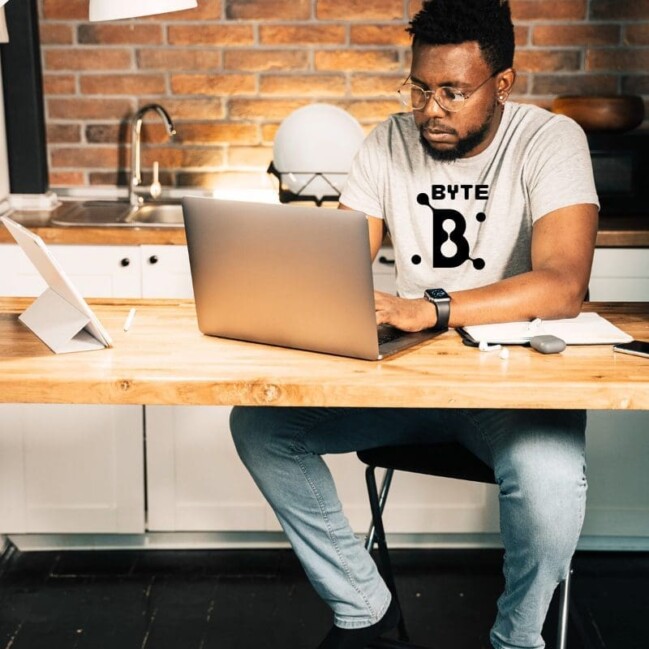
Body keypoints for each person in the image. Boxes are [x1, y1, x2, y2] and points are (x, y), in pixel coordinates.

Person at [230, 1, 599, 647]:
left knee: (547, 484)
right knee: (262, 425)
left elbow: (562, 285)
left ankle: (516, 637)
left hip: (512, 388)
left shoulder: (549, 139)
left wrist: (430, 308)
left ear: (501, 84)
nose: (430, 108)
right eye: (420, 88)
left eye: (452, 92)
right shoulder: (386, 142)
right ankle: (366, 608)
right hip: (410, 381)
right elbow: (336, 268)